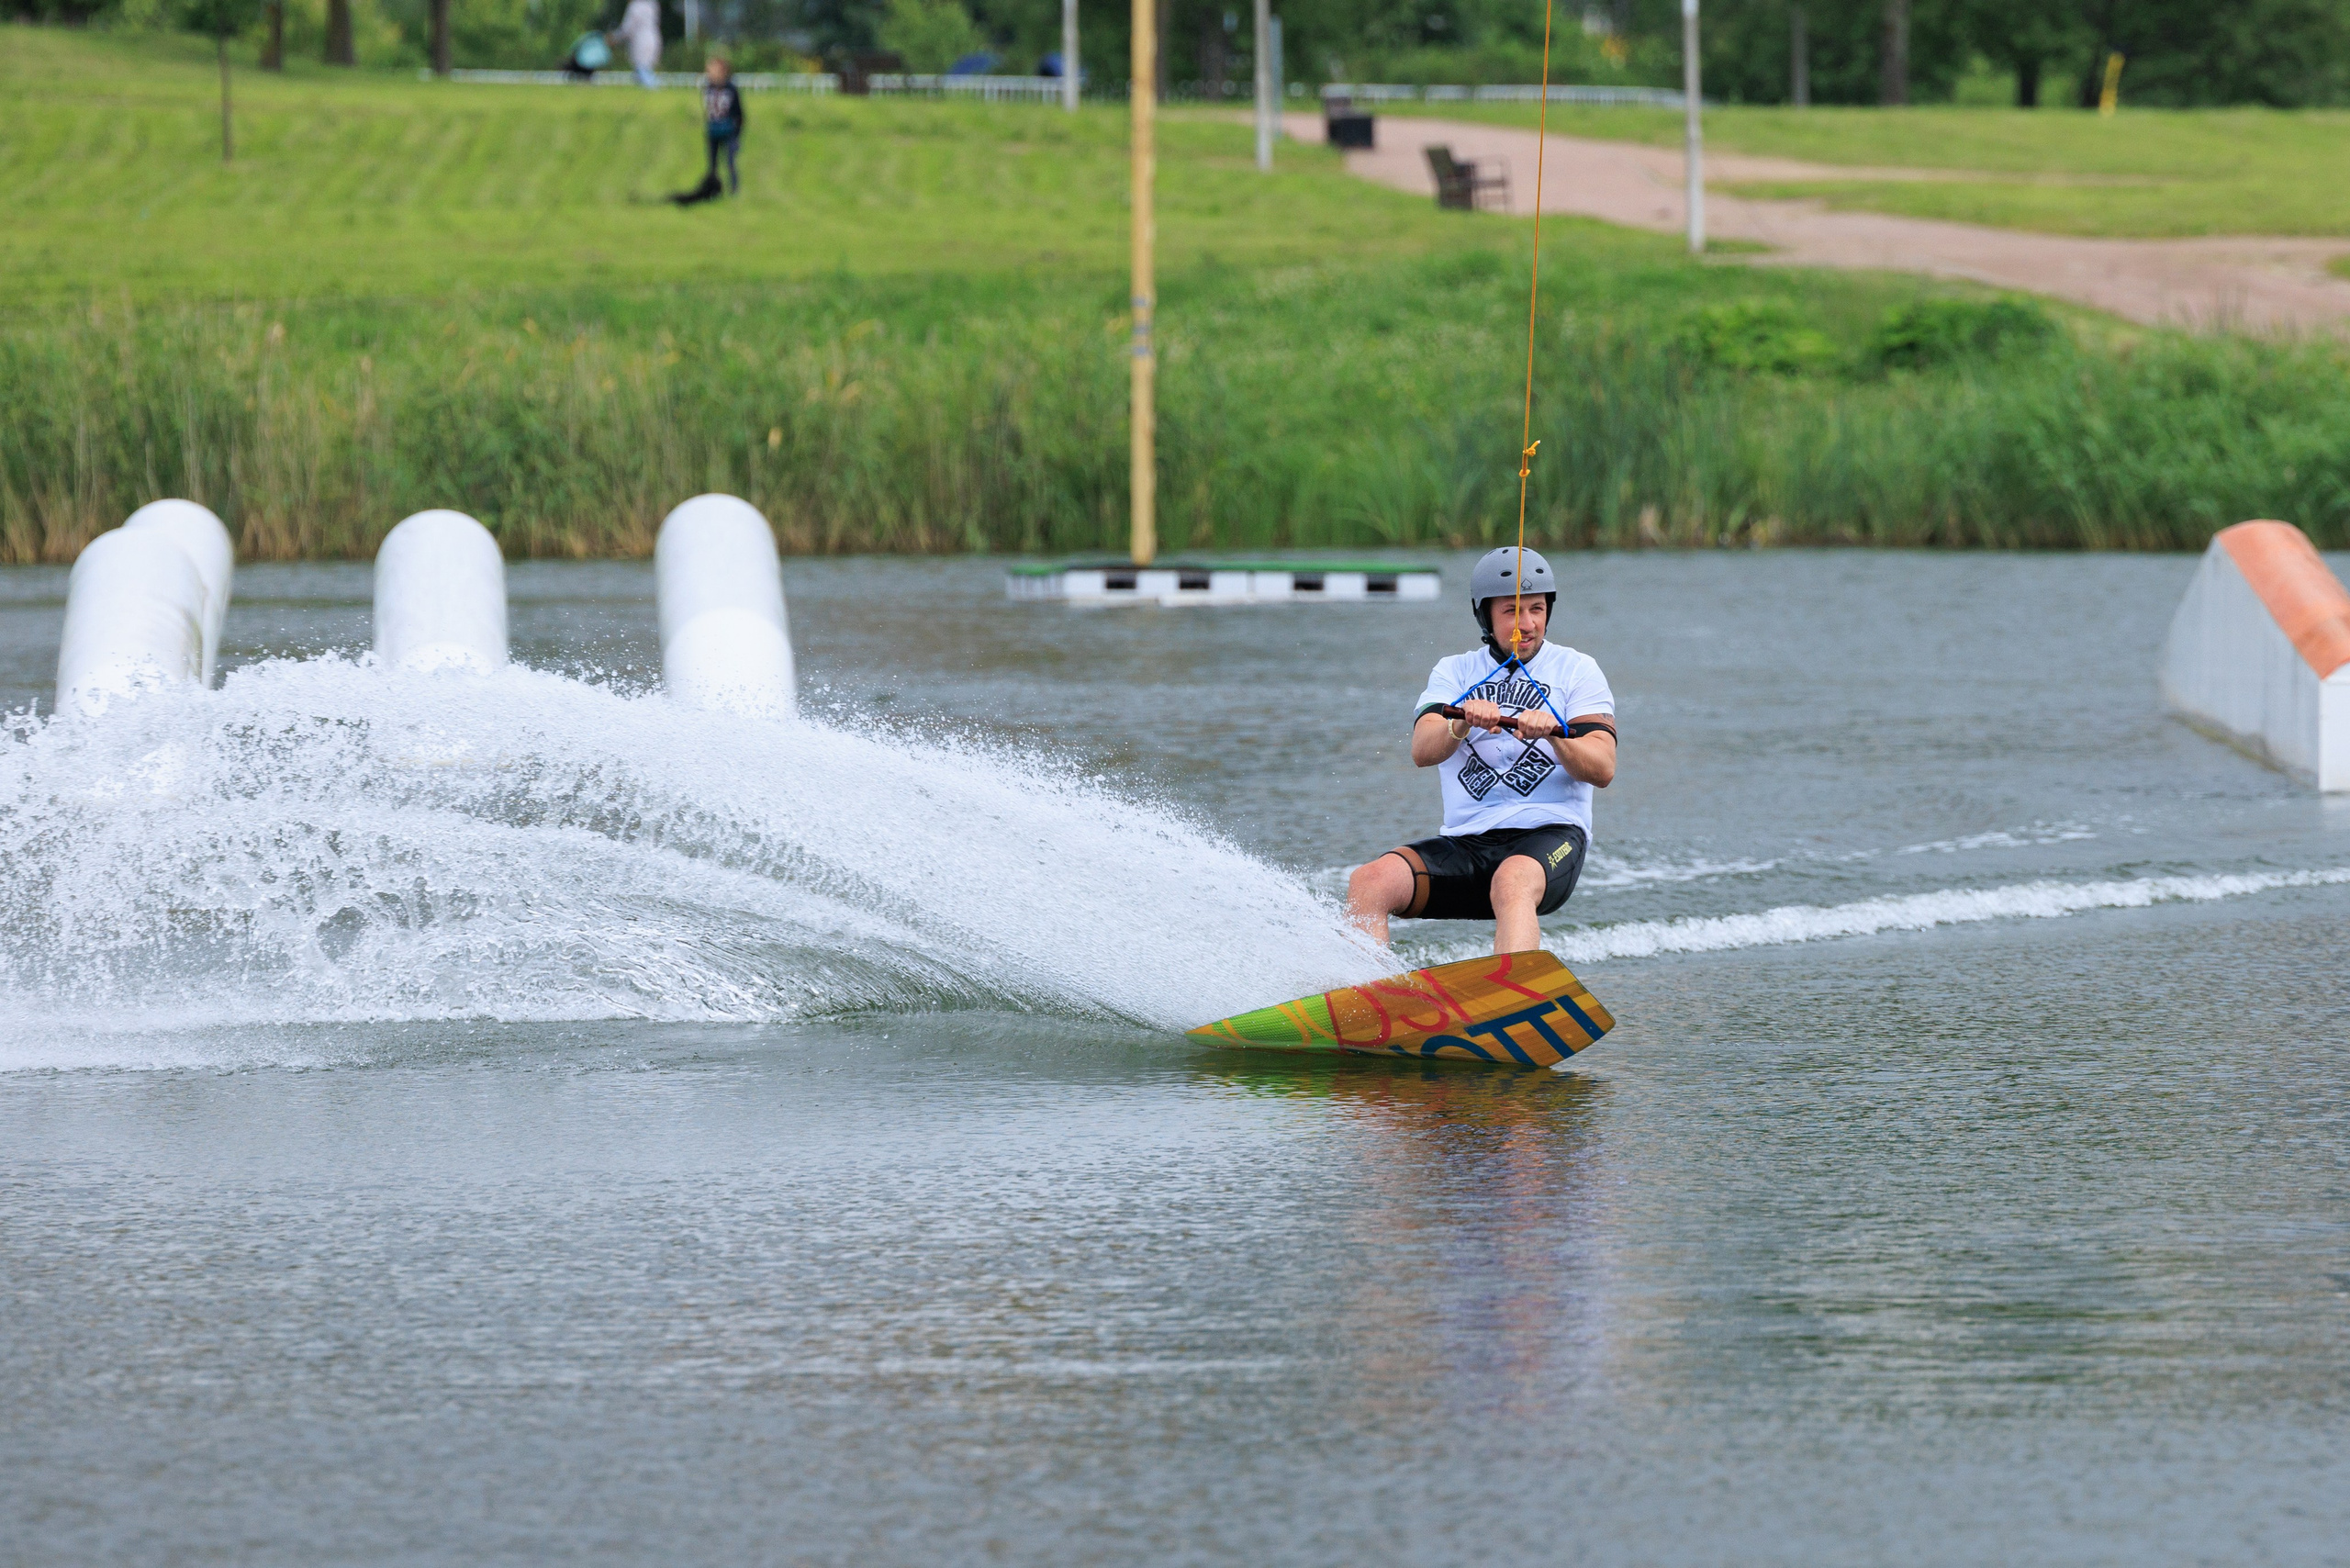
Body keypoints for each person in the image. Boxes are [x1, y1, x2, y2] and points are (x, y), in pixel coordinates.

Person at [1345, 546, 1617, 956]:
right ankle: (1367, 989)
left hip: (1552, 838)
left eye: (1537, 609)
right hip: (1468, 845)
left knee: (1511, 880)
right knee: (1368, 882)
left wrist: (1554, 734)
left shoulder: (1577, 670)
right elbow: (1422, 749)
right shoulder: (1454, 671)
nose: (1527, 624)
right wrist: (1460, 723)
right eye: (1511, 611)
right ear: (1484, 616)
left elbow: (1604, 768)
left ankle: (1515, 987)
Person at [699, 57, 744, 196]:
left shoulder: (731, 89)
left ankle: (734, 190)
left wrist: (737, 134)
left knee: (730, 162)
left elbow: (739, 113)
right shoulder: (708, 88)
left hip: (728, 131)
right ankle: (713, 189)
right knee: (712, 164)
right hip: (713, 131)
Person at [610, 0, 663, 88]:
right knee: (646, 68)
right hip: (654, 38)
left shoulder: (635, 6)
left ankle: (653, 88)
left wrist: (615, 37)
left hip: (640, 41)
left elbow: (627, 28)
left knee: (642, 69)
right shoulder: (652, 4)